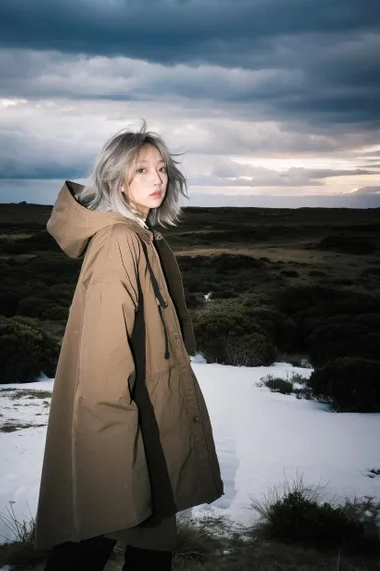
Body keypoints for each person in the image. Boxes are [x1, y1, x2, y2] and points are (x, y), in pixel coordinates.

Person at [34, 121, 224, 571]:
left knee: (147, 534)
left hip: (151, 406)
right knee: (102, 525)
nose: (158, 179)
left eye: (162, 168)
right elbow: (104, 354)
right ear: (118, 179)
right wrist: (114, 436)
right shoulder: (121, 241)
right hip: (126, 414)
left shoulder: (138, 235)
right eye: (143, 170)